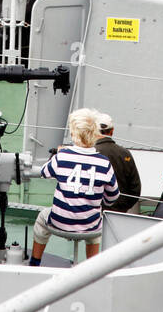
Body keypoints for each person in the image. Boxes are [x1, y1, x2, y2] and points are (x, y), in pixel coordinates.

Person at [28, 108, 119, 264]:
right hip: (89, 225)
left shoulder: (62, 156)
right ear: (95, 134)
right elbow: (113, 197)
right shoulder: (104, 163)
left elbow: (44, 172)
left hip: (59, 221)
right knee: (95, 231)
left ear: (74, 134)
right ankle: (92, 268)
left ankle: (35, 261)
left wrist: (59, 154)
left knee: (42, 219)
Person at [94, 111, 142, 213]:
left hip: (94, 211)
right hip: (119, 211)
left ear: (95, 131)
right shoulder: (125, 153)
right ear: (112, 131)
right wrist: (122, 207)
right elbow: (135, 189)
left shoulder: (91, 152)